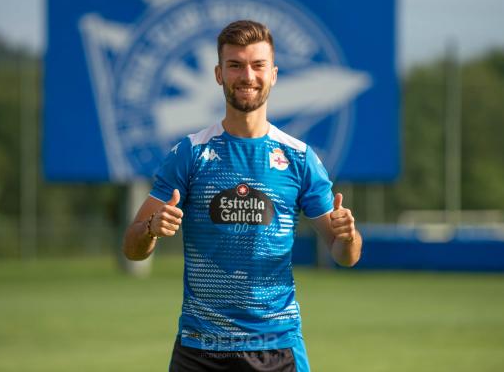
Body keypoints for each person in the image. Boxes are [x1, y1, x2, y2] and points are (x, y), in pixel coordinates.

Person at [123, 19, 362, 372]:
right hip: (199, 349)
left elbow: (345, 256)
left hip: (277, 347)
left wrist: (348, 235)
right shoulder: (189, 153)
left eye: (257, 65)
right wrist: (152, 229)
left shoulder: (299, 158)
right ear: (219, 74)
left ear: (274, 74)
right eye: (235, 65)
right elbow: (132, 247)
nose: (247, 75)